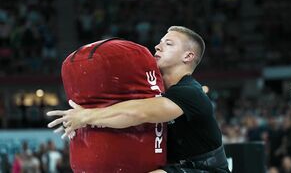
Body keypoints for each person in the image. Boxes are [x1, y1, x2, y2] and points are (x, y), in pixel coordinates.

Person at [48, 26, 230, 172]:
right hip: (172, 166)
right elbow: (122, 113)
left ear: (188, 56)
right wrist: (81, 123)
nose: (158, 47)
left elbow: (139, 113)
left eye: (168, 43)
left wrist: (86, 116)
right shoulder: (151, 90)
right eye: (159, 42)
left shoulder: (191, 92)